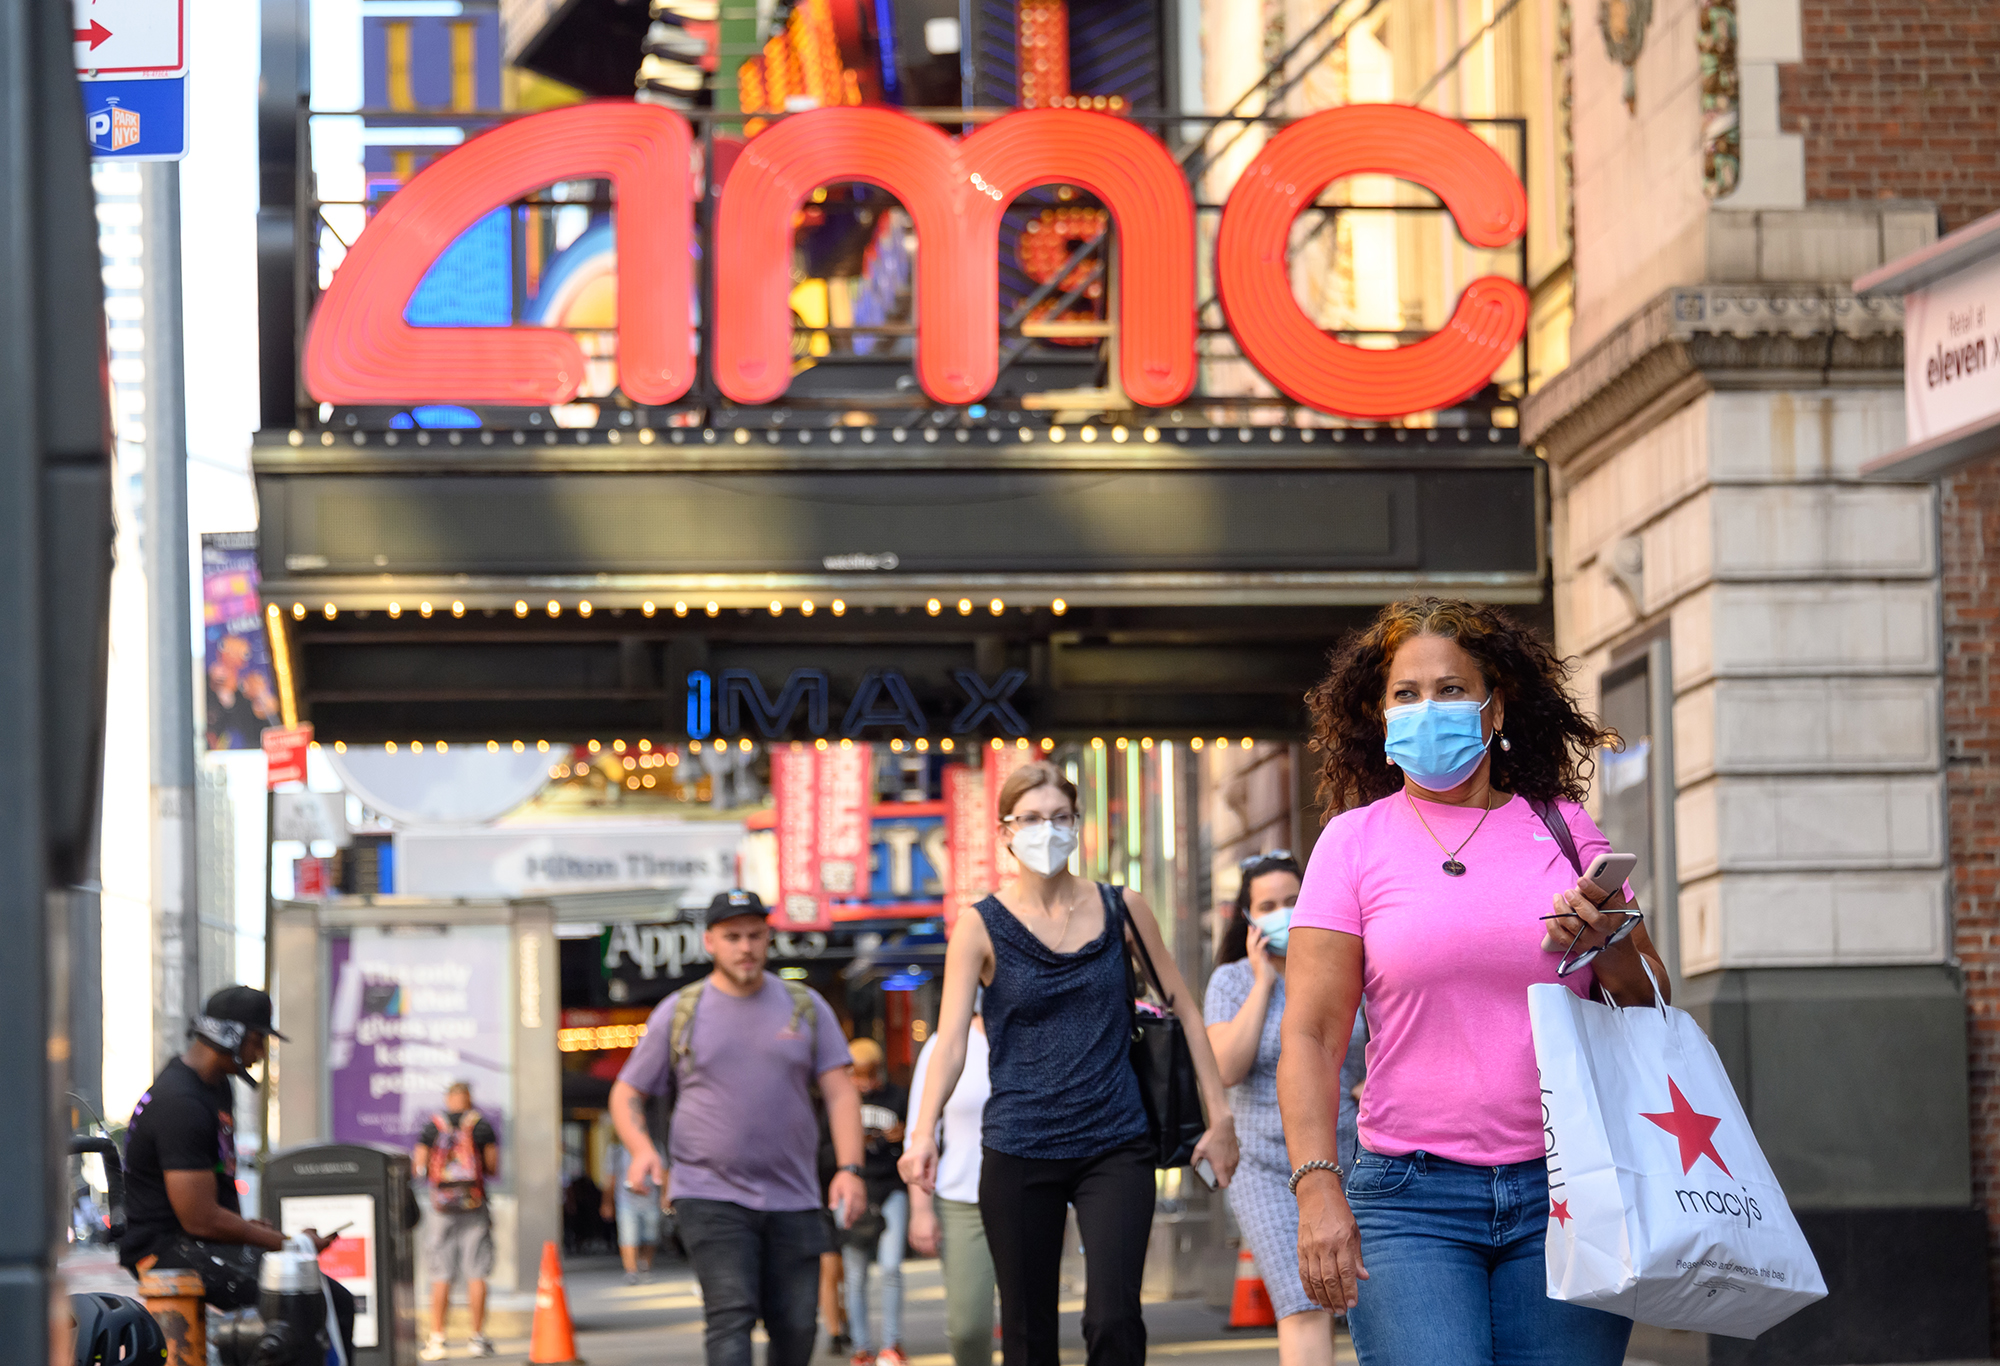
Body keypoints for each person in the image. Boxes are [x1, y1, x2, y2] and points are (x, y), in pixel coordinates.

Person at [1279, 597, 1668, 1366]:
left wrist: (1605, 941)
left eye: (1452, 690)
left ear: (1496, 709)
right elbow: (1314, 1034)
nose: (1430, 709)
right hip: (1409, 1200)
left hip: (1572, 1187)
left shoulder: (1563, 829)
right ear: (1380, 715)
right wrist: (1316, 1186)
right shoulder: (1351, 844)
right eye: (1407, 694)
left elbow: (1649, 995)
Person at [900, 762, 1240, 1366]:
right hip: (1018, 1146)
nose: (1046, 831)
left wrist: (1220, 1120)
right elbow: (951, 1042)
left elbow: (1184, 1008)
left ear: (1077, 825)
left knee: (1113, 1319)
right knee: (1028, 1334)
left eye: (1059, 817)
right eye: (1030, 819)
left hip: (1115, 1142)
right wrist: (923, 1131)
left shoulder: (1122, 908)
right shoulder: (979, 926)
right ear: (1006, 832)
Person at [610, 888, 869, 1366]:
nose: (745, 947)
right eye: (732, 937)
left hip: (794, 1194)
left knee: (795, 1324)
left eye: (754, 935)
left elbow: (841, 1092)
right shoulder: (680, 1011)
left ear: (768, 937)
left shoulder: (805, 1006)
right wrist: (643, 1150)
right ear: (710, 941)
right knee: (731, 1315)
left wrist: (850, 1168)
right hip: (708, 1192)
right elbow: (627, 1092)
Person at [120, 986, 355, 1353]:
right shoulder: (182, 1103)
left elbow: (211, 1204)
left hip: (193, 1241)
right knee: (318, 1303)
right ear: (230, 1034)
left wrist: (255, 1234)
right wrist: (290, 1243)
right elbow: (199, 1219)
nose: (260, 1054)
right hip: (165, 1249)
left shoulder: (212, 1090)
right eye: (258, 1040)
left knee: (317, 1298)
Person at [1204, 850, 1362, 1366]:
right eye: (1268, 904)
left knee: (1369, 1302)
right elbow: (1226, 1067)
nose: (1283, 912)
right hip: (1267, 1169)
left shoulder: (1348, 966)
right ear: (1247, 918)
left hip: (1355, 1161)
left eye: (1293, 900)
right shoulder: (1231, 982)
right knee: (1305, 1304)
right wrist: (1264, 981)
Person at [906, 1000, 995, 1366]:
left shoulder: (1039, 1035)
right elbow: (920, 1130)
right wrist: (920, 1209)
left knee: (1030, 1323)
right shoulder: (945, 1043)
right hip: (962, 1199)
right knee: (968, 1328)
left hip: (1030, 1192)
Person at [413, 1081, 501, 1360]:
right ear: (469, 1099)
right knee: (477, 1272)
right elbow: (492, 1167)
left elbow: (420, 1166)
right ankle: (477, 1338)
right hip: (474, 1205)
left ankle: (437, 1339)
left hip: (441, 1209)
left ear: (449, 1098)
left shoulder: (433, 1126)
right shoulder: (481, 1126)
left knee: (441, 1274)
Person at [842, 1037, 909, 1366]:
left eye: (868, 1074)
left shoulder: (897, 1097)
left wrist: (903, 1137)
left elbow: (916, 1144)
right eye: (856, 1074)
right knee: (855, 1273)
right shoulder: (840, 1101)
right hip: (855, 1191)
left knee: (891, 1267)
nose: (863, 1082)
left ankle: (892, 1343)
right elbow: (824, 1152)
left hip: (891, 1188)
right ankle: (861, 1347)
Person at [603, 1139, 664, 1282]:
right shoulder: (617, 1151)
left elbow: (665, 1171)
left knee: (650, 1235)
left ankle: (644, 1267)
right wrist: (607, 1202)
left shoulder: (656, 1148)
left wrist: (665, 1195)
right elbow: (611, 1178)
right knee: (628, 1236)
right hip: (626, 1200)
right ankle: (631, 1271)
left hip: (650, 1200)